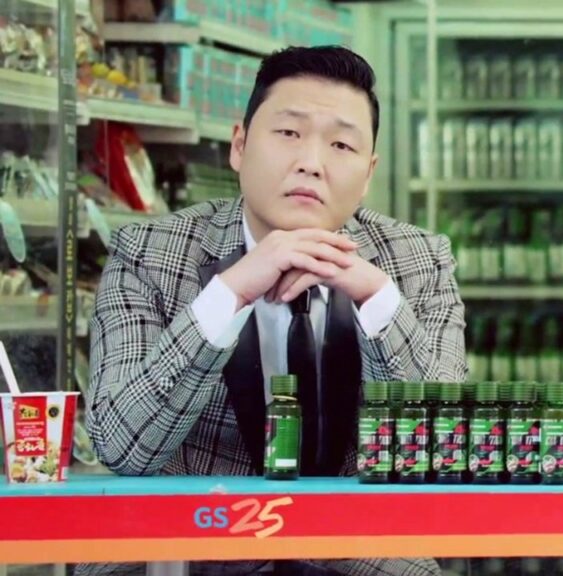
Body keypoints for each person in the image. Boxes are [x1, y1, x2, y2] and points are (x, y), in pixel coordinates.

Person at [81, 46, 465, 576]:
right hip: (195, 540)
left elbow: (442, 453)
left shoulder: (418, 259)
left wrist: (373, 295)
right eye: (289, 132)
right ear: (239, 146)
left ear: (368, 173)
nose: (311, 161)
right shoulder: (148, 252)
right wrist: (232, 291)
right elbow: (123, 446)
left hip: (357, 543)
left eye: (341, 144)